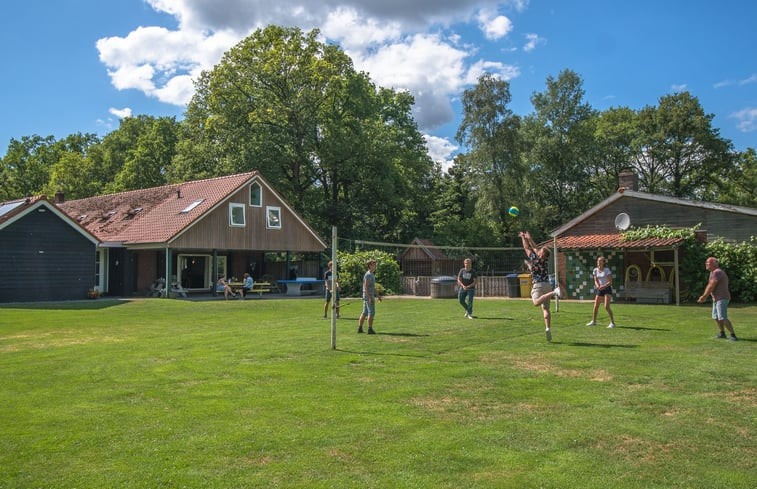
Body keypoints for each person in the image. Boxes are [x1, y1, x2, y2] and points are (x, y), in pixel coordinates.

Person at [519, 231, 562, 342]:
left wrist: (524, 238)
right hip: (547, 285)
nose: (538, 251)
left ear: (541, 254)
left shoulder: (534, 258)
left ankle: (554, 292)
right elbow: (535, 247)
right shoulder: (545, 260)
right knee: (546, 308)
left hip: (538, 285)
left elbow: (527, 248)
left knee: (536, 303)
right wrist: (529, 238)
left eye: (540, 251)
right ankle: (547, 328)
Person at [697, 257, 738, 341]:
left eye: (708, 263)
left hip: (722, 298)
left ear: (714, 264)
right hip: (716, 298)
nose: (706, 264)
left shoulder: (717, 272)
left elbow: (711, 286)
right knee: (716, 316)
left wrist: (704, 296)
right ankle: (722, 333)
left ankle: (733, 335)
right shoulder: (712, 273)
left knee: (722, 317)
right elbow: (710, 285)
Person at [587, 256, 616, 328]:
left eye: (600, 261)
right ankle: (593, 321)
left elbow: (610, 282)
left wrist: (603, 286)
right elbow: (595, 280)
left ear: (603, 262)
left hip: (607, 289)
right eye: (598, 261)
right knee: (596, 306)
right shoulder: (595, 270)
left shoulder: (607, 270)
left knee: (606, 306)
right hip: (600, 289)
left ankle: (612, 323)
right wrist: (597, 286)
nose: (598, 262)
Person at [357, 259, 381, 334]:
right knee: (371, 313)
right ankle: (370, 329)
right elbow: (366, 287)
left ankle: (360, 329)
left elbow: (373, 287)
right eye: (374, 265)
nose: (375, 266)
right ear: (370, 266)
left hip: (368, 296)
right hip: (368, 296)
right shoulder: (368, 275)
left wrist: (378, 296)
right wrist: (370, 297)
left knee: (365, 312)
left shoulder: (372, 274)